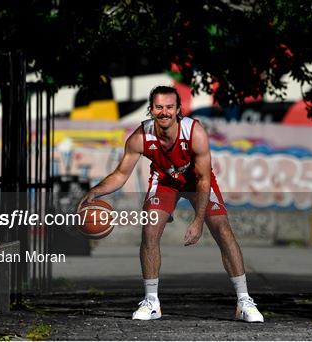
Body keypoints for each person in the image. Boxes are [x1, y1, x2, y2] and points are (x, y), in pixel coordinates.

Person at [81, 86, 264, 322]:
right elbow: (120, 174)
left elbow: (203, 178)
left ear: (178, 110)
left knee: (221, 227)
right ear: (151, 109)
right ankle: (151, 301)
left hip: (196, 181)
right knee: (150, 229)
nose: (164, 112)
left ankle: (244, 301)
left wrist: (197, 221)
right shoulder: (140, 137)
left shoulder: (194, 133)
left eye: (169, 107)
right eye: (159, 107)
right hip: (165, 181)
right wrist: (96, 191)